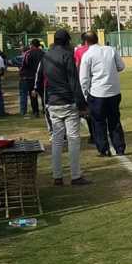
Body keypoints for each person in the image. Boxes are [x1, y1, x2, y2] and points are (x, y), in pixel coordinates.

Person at [34, 30, 91, 185]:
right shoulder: (67, 56)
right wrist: (82, 105)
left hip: (52, 103)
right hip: (67, 102)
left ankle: (57, 176)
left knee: (57, 141)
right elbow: (74, 81)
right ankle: (75, 175)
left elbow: (40, 81)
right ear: (66, 42)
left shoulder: (46, 56)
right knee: (73, 139)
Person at [79, 31, 127, 156]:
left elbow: (84, 79)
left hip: (97, 93)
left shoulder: (87, 54)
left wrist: (84, 95)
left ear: (85, 42)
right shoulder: (110, 50)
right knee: (115, 121)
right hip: (114, 91)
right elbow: (121, 66)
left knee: (99, 122)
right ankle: (120, 148)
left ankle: (104, 149)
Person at [74, 33, 95, 144]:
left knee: (84, 111)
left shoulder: (79, 51)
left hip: (84, 82)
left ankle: (90, 135)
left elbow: (77, 66)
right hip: (96, 82)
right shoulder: (98, 49)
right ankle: (95, 134)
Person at [20, 39, 45, 117]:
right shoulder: (43, 53)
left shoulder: (28, 53)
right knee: (43, 94)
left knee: (33, 95)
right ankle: (45, 110)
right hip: (42, 77)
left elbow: (24, 64)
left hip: (31, 77)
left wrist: (22, 73)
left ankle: (35, 111)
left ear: (32, 45)